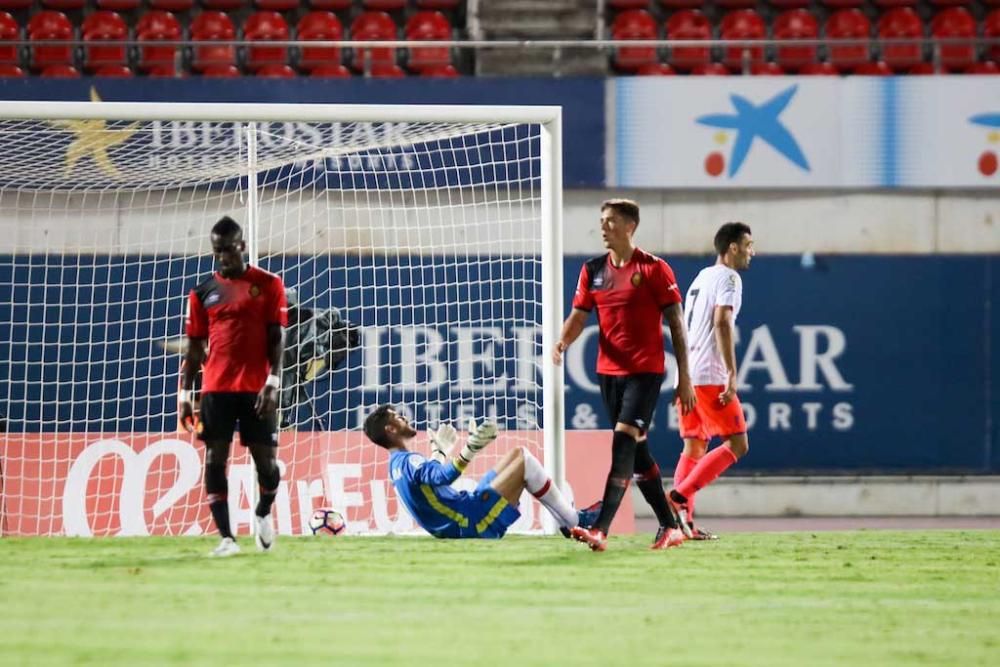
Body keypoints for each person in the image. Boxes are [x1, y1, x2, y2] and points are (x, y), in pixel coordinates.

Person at [552, 199, 695, 552]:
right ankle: (669, 525)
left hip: (645, 372)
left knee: (622, 441)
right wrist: (562, 341)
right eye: (601, 221)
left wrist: (685, 377)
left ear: (630, 226)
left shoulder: (654, 269)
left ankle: (600, 529)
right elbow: (580, 314)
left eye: (611, 221)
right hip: (608, 373)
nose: (603, 227)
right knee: (638, 452)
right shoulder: (593, 270)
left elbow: (676, 324)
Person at [179, 216, 288, 557]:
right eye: (217, 251)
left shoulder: (269, 284)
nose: (222, 257)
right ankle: (227, 538)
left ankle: (262, 511)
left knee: (267, 466)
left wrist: (273, 381)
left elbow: (277, 337)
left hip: (257, 387)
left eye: (227, 250)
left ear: (241, 246)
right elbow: (195, 347)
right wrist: (185, 394)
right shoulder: (201, 293)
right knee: (214, 459)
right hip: (216, 388)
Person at [363, 404, 595, 539]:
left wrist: (439, 452)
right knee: (524, 459)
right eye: (397, 416)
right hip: (471, 521)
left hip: (464, 513)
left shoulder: (396, 465)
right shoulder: (410, 461)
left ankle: (568, 521)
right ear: (391, 429)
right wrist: (469, 450)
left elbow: (429, 480)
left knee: (516, 454)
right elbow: (443, 476)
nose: (403, 416)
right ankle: (574, 521)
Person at [668, 222, 755, 540]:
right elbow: (722, 321)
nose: (751, 252)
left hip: (687, 373)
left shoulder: (701, 277)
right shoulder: (729, 278)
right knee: (737, 443)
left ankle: (683, 524)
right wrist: (731, 372)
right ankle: (678, 496)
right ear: (732, 247)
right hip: (709, 375)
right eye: (748, 244)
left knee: (694, 446)